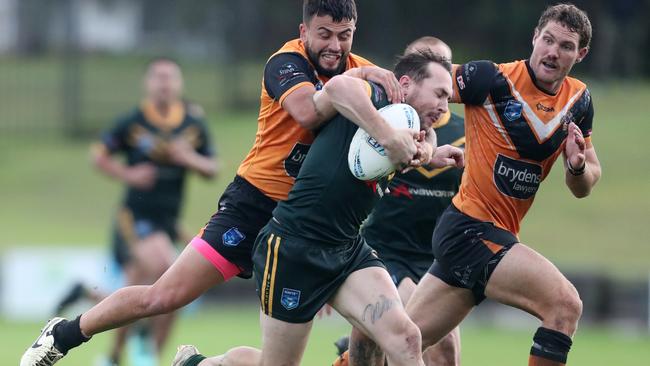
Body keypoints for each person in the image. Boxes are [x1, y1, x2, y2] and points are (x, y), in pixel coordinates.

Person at [20, 1, 410, 365]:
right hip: (254, 206)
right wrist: (360, 75)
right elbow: (308, 112)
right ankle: (66, 333)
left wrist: (425, 150)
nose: (335, 45)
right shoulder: (286, 63)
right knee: (165, 295)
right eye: (324, 33)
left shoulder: (362, 73)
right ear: (304, 30)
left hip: (311, 225)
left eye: (345, 35)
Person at [173, 51, 464, 366]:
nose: (443, 106)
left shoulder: (406, 123)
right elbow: (339, 88)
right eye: (439, 94)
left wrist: (426, 154)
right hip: (295, 248)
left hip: (347, 249)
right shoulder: (377, 96)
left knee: (406, 338)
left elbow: (399, 151)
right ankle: (198, 364)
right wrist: (388, 137)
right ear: (405, 83)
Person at [405, 4, 601, 366]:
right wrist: (374, 92)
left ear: (581, 54)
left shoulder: (579, 101)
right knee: (564, 304)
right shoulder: (490, 79)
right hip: (470, 230)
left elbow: (586, 182)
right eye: (548, 40)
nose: (553, 52)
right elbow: (419, 84)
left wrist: (576, 167)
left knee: (401, 345)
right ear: (534, 37)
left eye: (566, 46)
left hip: (488, 238)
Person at [62, 57, 219, 366]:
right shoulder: (133, 121)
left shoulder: (192, 124)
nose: (164, 84)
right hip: (134, 218)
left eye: (170, 78)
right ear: (148, 83)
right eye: (158, 78)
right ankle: (137, 351)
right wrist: (128, 175)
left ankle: (122, 357)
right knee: (167, 269)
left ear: (179, 84)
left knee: (147, 291)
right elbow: (98, 155)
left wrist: (189, 158)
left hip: (169, 222)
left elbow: (212, 168)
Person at [332, 36, 463, 366]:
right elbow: (337, 90)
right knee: (401, 336)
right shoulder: (381, 117)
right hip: (384, 248)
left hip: (435, 255)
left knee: (443, 349)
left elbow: (428, 152)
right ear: (408, 77)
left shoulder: (461, 132)